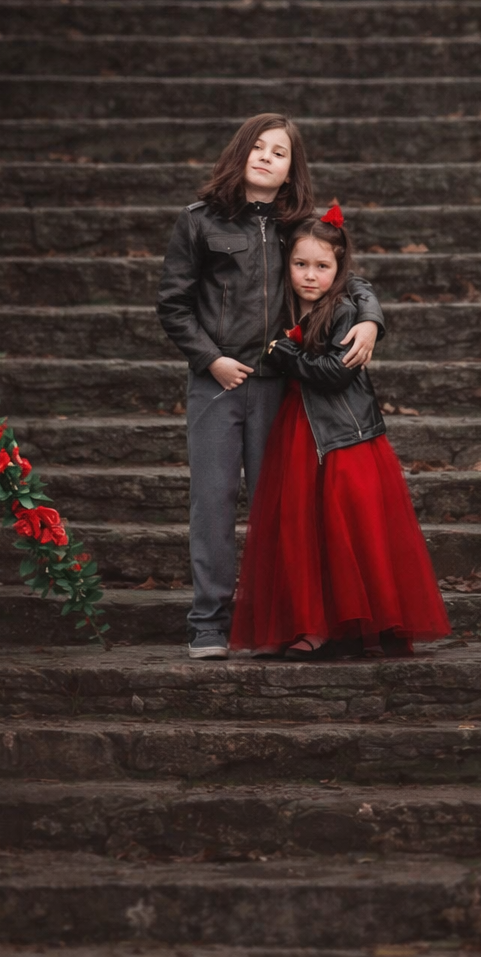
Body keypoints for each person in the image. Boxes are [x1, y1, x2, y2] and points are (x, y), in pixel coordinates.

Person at [156, 114, 385, 659]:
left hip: (281, 387)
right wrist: (211, 360)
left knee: (277, 505)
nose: (265, 157)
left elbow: (350, 276)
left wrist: (371, 318)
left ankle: (274, 618)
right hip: (216, 384)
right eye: (257, 147)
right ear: (239, 154)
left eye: (278, 153)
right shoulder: (198, 223)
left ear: (290, 171)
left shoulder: (297, 226)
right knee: (212, 500)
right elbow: (173, 304)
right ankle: (209, 621)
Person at [230, 205, 451, 660]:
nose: (310, 275)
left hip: (344, 436)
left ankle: (356, 623)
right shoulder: (284, 303)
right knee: (301, 529)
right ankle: (309, 623)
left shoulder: (346, 310)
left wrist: (285, 354)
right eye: (300, 264)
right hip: (297, 428)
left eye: (322, 266)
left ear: (339, 268)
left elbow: (335, 372)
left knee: (352, 529)